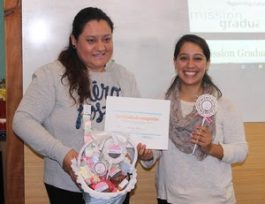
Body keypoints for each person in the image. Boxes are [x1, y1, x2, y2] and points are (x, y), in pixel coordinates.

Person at [12, 7, 139, 204]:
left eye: (107, 39)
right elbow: (22, 120)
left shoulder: (125, 77)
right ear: (74, 40)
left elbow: (137, 128)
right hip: (67, 188)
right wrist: (64, 155)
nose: (101, 47)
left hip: (115, 186)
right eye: (91, 40)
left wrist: (139, 154)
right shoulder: (52, 75)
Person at [137, 34, 248, 204]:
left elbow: (241, 151)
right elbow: (154, 152)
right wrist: (145, 155)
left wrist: (211, 147)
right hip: (172, 197)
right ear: (175, 62)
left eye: (197, 58)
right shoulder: (161, 103)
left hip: (216, 198)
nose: (190, 65)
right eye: (184, 58)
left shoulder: (223, 104)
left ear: (207, 63)